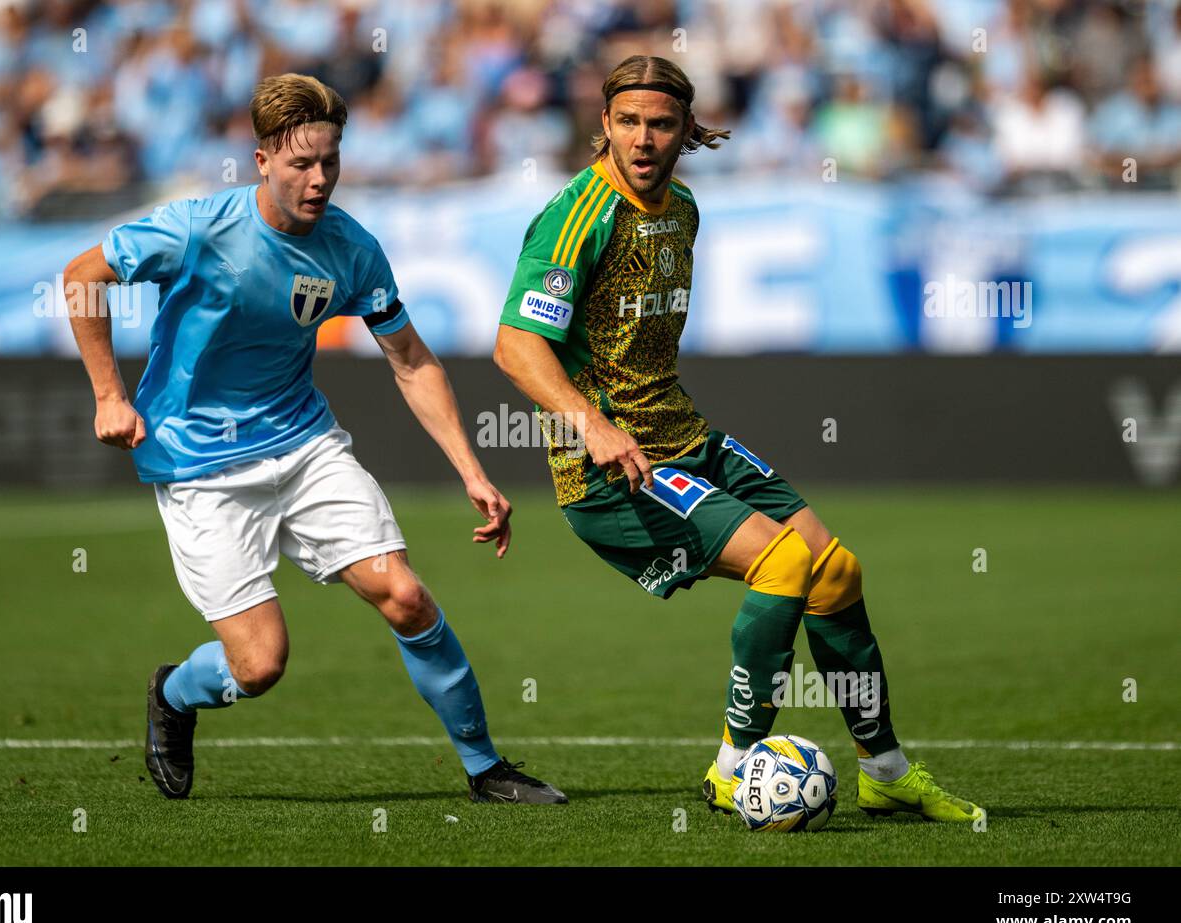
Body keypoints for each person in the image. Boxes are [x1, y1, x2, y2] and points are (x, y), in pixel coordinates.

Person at [492, 55, 981, 822]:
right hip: (613, 468)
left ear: (687, 129)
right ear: (604, 126)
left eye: (660, 123)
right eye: (628, 122)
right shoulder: (577, 217)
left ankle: (884, 769)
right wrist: (591, 426)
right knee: (783, 563)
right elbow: (517, 346)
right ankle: (730, 770)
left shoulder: (683, 207)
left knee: (836, 571)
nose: (643, 138)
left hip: (687, 437)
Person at [63, 72, 565, 805]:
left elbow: (412, 359)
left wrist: (471, 471)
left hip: (303, 445)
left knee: (405, 596)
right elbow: (81, 277)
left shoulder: (352, 249)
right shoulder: (199, 227)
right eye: (302, 163)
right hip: (200, 464)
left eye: (330, 161)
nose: (320, 178)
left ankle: (487, 769)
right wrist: (109, 395)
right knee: (260, 666)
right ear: (262, 159)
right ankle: (174, 692)